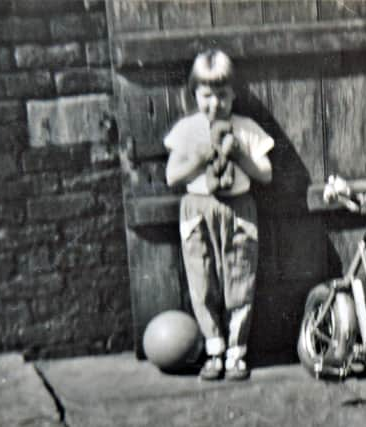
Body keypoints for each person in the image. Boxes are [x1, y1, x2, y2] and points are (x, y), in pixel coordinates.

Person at [164, 49, 273, 381]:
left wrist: (239, 153)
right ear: (195, 94)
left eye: (222, 95)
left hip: (238, 209)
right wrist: (200, 157)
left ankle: (236, 353)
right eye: (207, 96)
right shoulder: (186, 129)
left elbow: (265, 175)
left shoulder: (245, 128)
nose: (215, 105)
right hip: (197, 209)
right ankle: (213, 349)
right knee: (202, 279)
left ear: (234, 93)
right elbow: (172, 176)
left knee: (239, 278)